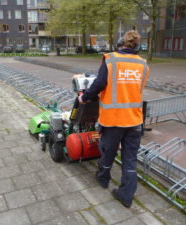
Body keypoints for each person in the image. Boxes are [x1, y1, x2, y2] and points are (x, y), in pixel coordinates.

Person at [78, 30, 149, 208]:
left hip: (113, 120)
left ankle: (103, 179)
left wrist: (84, 98)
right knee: (130, 158)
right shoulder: (143, 64)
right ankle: (126, 195)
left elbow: (99, 84)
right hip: (134, 120)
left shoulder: (110, 60)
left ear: (120, 43)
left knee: (108, 151)